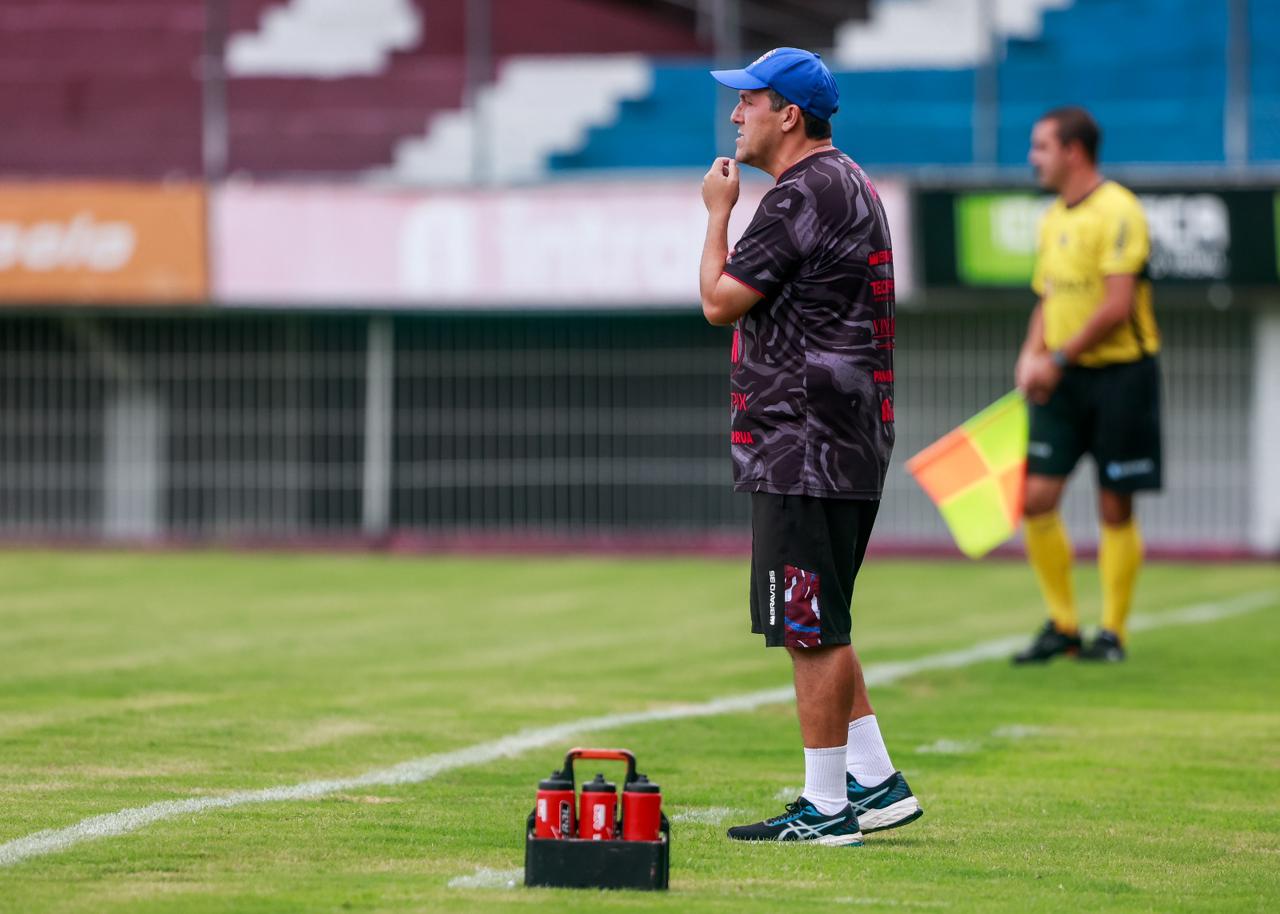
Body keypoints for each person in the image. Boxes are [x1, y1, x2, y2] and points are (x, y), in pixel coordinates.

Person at [699, 47, 922, 844]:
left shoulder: (802, 192)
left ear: (787, 114)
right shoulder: (847, 178)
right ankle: (876, 781)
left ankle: (827, 807)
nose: (736, 115)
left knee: (807, 626)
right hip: (842, 436)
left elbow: (720, 301)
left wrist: (718, 212)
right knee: (822, 616)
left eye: (748, 101)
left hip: (806, 441)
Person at [1012, 106, 1162, 665]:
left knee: (1114, 506)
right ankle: (1064, 625)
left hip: (1122, 375)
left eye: (1041, 147)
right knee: (1036, 500)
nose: (1033, 158)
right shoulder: (1052, 218)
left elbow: (1118, 308)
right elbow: (1049, 298)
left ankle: (1112, 633)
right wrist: (1030, 356)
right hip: (1062, 379)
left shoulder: (1119, 209)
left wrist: (1055, 357)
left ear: (1073, 151)